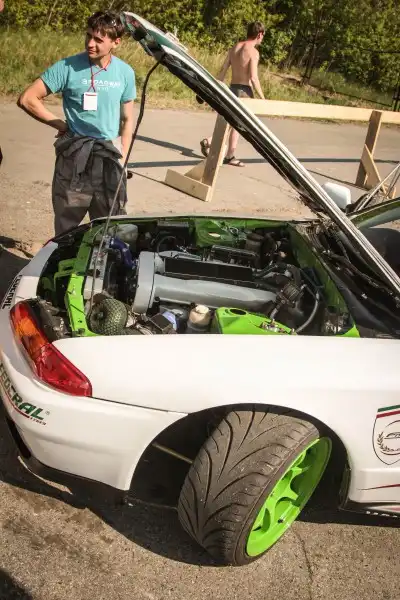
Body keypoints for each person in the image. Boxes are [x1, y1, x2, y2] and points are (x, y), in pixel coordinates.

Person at [17, 11, 136, 235]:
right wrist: (61, 125)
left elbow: (127, 119)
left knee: (109, 227)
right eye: (88, 35)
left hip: (110, 158)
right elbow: (27, 99)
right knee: (67, 229)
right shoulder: (67, 67)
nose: (90, 43)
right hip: (75, 158)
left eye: (98, 39)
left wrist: (124, 157)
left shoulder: (125, 73)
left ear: (116, 42)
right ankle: (64, 255)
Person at [200, 21, 265, 168]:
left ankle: (223, 150)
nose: (262, 39)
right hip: (244, 91)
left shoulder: (235, 47)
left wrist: (215, 89)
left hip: (232, 89)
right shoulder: (253, 52)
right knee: (237, 125)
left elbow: (223, 70)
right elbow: (253, 77)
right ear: (259, 34)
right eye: (263, 36)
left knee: (231, 122)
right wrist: (263, 99)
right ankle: (219, 148)